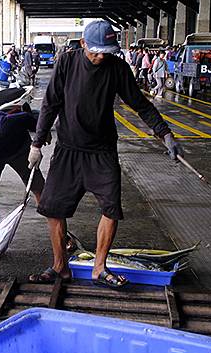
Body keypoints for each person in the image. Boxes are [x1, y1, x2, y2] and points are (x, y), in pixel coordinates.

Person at [28, 20, 183, 288]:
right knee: (53, 208)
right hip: (68, 150)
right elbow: (50, 103)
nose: (100, 56)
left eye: (106, 51)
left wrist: (165, 133)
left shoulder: (117, 68)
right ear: (84, 44)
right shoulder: (67, 63)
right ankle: (59, 266)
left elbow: (141, 105)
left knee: (111, 208)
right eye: (96, 51)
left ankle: (100, 267)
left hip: (102, 151)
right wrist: (37, 143)